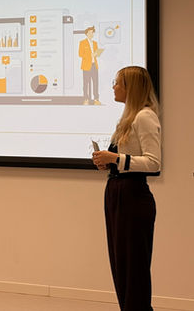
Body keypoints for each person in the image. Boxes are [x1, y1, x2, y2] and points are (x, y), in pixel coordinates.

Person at [92, 66, 161, 311]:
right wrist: (108, 162)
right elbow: (124, 159)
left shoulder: (145, 116)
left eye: (117, 82)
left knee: (134, 267)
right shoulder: (127, 118)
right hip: (117, 191)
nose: (113, 87)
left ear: (130, 88)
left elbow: (154, 163)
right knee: (121, 264)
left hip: (133, 195)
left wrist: (115, 159)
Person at [79, 26, 101, 105]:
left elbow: (96, 54)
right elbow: (80, 54)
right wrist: (90, 55)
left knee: (95, 83)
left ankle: (96, 99)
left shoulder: (95, 43)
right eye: (90, 32)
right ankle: (86, 99)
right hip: (86, 66)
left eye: (92, 32)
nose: (92, 34)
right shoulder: (82, 42)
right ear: (87, 33)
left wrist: (97, 53)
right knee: (86, 83)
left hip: (94, 65)